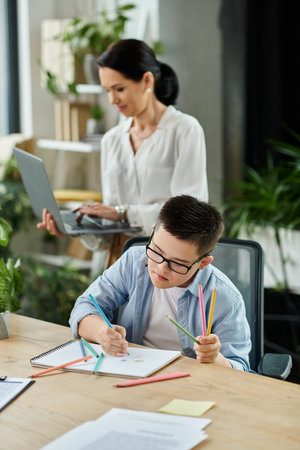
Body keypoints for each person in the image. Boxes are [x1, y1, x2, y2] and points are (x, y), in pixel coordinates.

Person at [37, 39, 208, 266]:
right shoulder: (112, 141)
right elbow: (108, 237)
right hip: (120, 263)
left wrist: (120, 212)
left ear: (147, 80)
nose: (112, 100)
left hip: (169, 264)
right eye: (107, 90)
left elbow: (188, 217)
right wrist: (75, 228)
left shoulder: (185, 130)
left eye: (119, 89)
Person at [69, 195, 251, 371]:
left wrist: (215, 359)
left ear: (203, 263)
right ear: (153, 232)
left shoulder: (225, 297)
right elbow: (85, 306)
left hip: (189, 382)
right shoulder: (134, 262)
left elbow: (241, 368)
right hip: (131, 369)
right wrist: (101, 332)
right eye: (156, 251)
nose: (161, 268)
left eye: (178, 263)